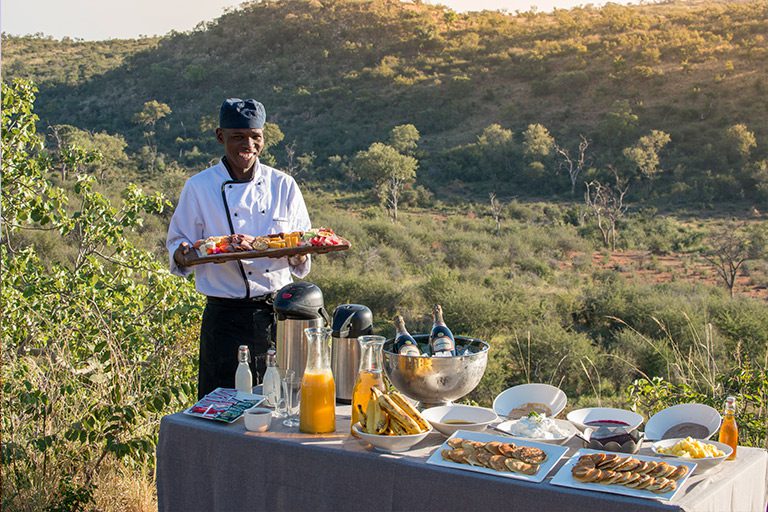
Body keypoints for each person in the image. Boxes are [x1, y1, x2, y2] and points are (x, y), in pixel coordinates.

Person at [166, 98, 311, 399]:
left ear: (263, 138)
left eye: (254, 137)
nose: (248, 145)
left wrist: (296, 251)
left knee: (280, 402)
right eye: (238, 137)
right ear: (220, 137)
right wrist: (188, 253)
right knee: (221, 405)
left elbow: (302, 250)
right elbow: (177, 244)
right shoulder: (199, 187)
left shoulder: (283, 185)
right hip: (224, 318)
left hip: (279, 314)